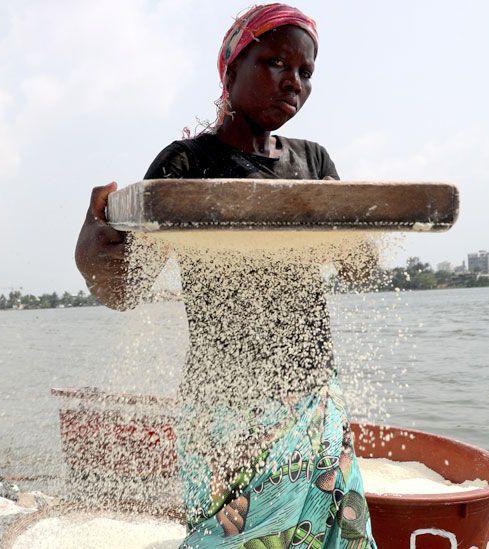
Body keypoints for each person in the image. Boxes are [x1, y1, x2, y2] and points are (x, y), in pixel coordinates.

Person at [75, 4, 377, 547]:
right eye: (276, 62)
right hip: (224, 402)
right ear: (231, 69)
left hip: (312, 395)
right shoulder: (186, 165)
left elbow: (359, 268)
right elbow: (125, 290)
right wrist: (92, 245)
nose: (294, 81)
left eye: (306, 72)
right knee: (233, 536)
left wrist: (365, 226)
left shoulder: (313, 162)